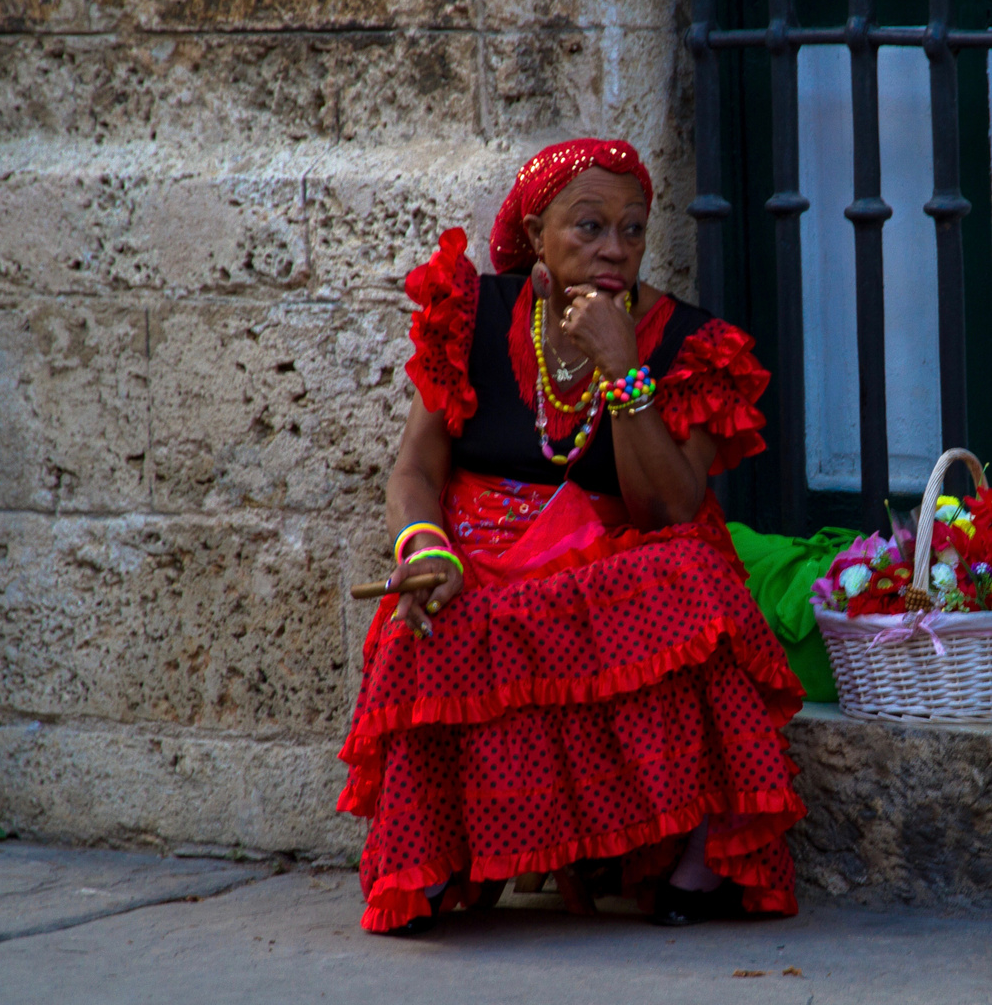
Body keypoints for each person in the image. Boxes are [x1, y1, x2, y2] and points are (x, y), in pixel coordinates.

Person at [337, 138, 806, 935]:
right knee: (427, 621)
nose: (614, 250)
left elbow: (667, 511)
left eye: (631, 229)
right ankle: (442, 855)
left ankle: (704, 855)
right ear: (535, 235)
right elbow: (413, 472)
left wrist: (625, 373)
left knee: (690, 576)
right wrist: (425, 546)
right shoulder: (475, 313)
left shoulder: (687, 343)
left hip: (610, 562)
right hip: (476, 557)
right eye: (588, 227)